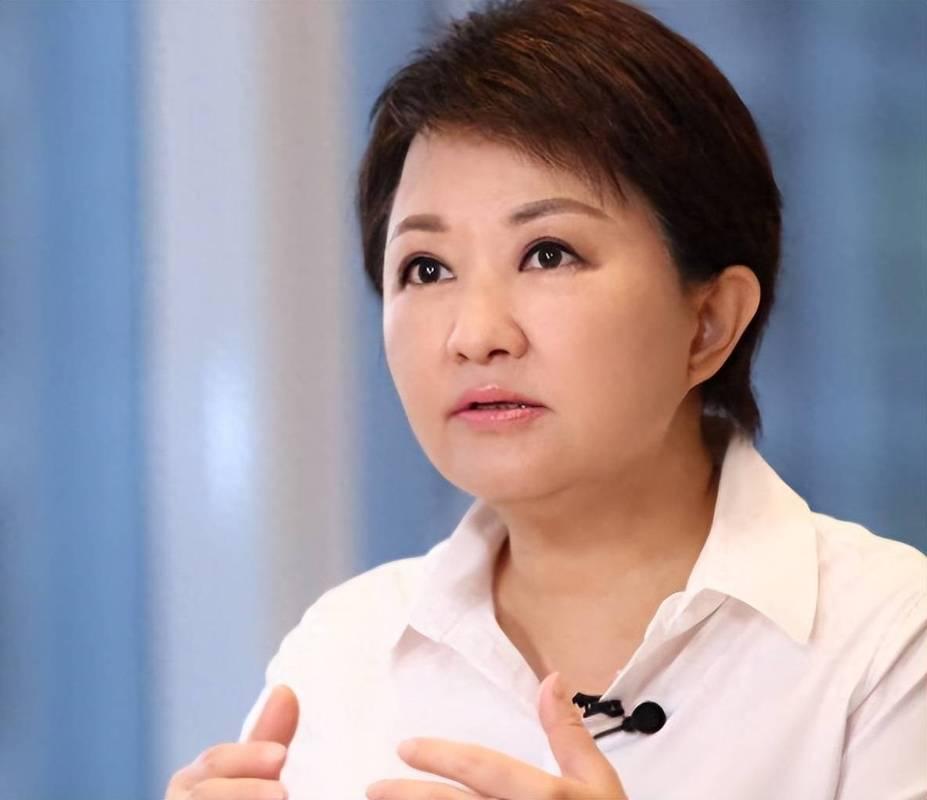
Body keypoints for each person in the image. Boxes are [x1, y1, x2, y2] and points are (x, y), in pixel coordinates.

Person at [164, 0, 927, 798]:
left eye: (548, 253)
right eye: (426, 268)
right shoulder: (341, 654)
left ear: (707, 323)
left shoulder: (887, 643)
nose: (474, 335)